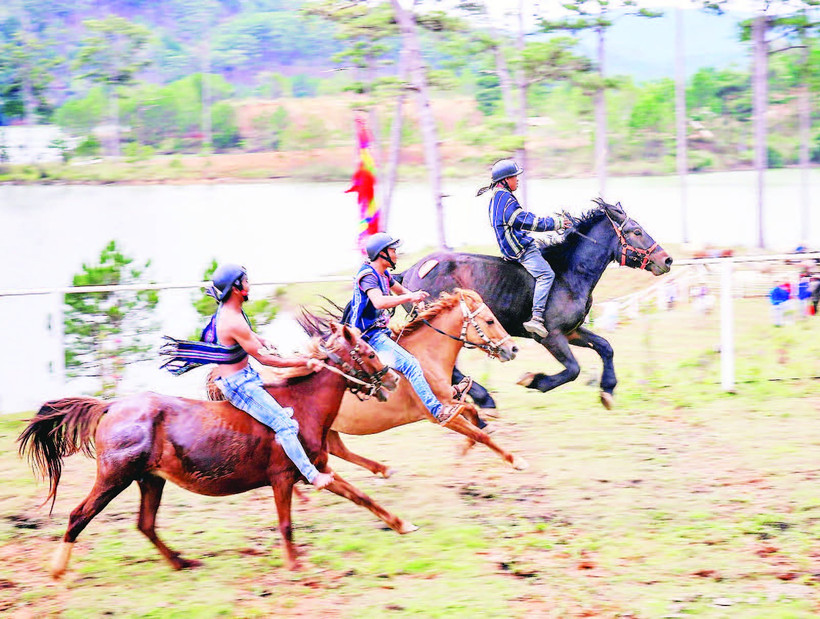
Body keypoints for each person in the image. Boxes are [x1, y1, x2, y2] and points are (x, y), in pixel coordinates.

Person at [161, 264, 334, 490]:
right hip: (240, 385)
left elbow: (246, 337)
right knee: (286, 426)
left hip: (247, 376)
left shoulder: (231, 311)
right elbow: (266, 360)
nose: (249, 285)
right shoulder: (233, 319)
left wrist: (261, 341)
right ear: (236, 288)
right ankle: (313, 476)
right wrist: (305, 361)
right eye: (246, 281)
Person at [346, 232, 469, 426]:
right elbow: (378, 302)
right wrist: (410, 298)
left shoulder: (383, 274)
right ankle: (438, 411)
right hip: (369, 337)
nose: (396, 254)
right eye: (393, 250)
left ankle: (449, 392)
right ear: (382, 254)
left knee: (421, 353)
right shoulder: (368, 277)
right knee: (411, 365)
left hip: (381, 332)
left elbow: (401, 291)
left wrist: (416, 300)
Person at [477, 159, 572, 339]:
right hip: (521, 250)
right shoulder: (505, 199)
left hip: (509, 250)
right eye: (514, 177)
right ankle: (536, 317)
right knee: (546, 275)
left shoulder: (496, 198)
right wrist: (557, 223)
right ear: (504, 180)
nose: (517, 180)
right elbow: (527, 221)